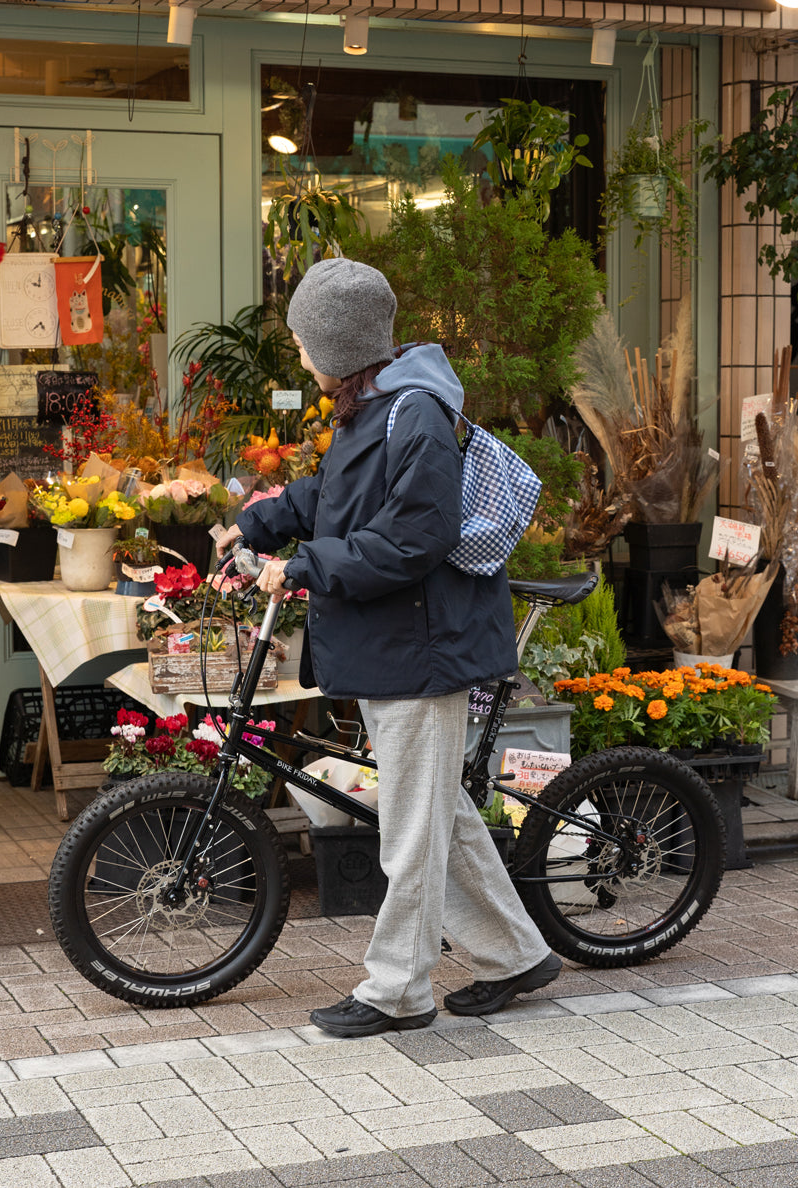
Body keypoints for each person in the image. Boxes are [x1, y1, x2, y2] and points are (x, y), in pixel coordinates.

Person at [216, 258, 560, 1039]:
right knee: (437, 812)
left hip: (423, 648)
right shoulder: (371, 406)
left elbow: (415, 539)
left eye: (304, 338)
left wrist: (302, 565)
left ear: (336, 344)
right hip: (395, 642)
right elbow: (337, 497)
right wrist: (263, 520)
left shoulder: (416, 414)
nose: (298, 351)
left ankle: (398, 990)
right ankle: (515, 955)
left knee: (410, 828)